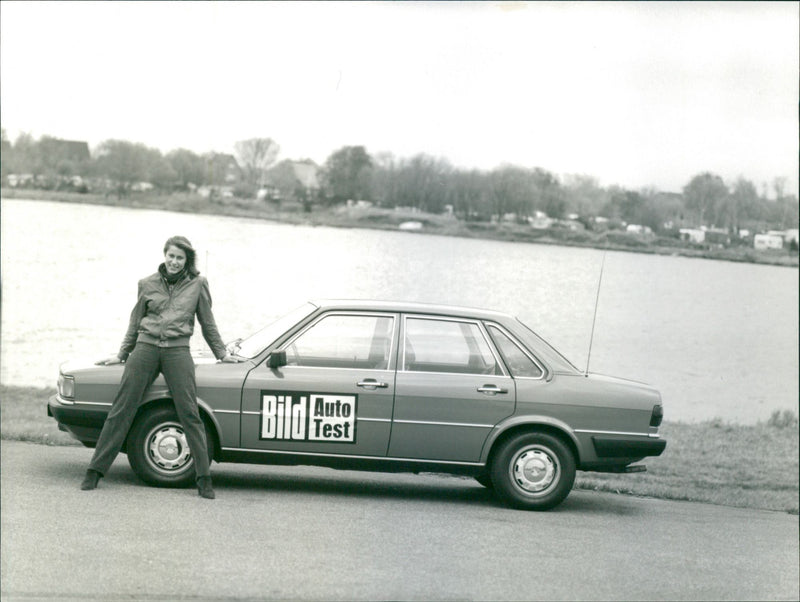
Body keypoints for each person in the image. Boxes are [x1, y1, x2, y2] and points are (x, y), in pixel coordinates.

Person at [80, 236, 240, 499]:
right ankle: (94, 471)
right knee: (122, 409)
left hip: (177, 350)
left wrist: (222, 353)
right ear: (164, 255)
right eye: (171, 256)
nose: (174, 262)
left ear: (187, 261)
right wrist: (122, 353)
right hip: (146, 347)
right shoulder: (147, 284)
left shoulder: (198, 284)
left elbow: (207, 323)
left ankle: (203, 477)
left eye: (180, 258)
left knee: (189, 411)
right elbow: (135, 322)